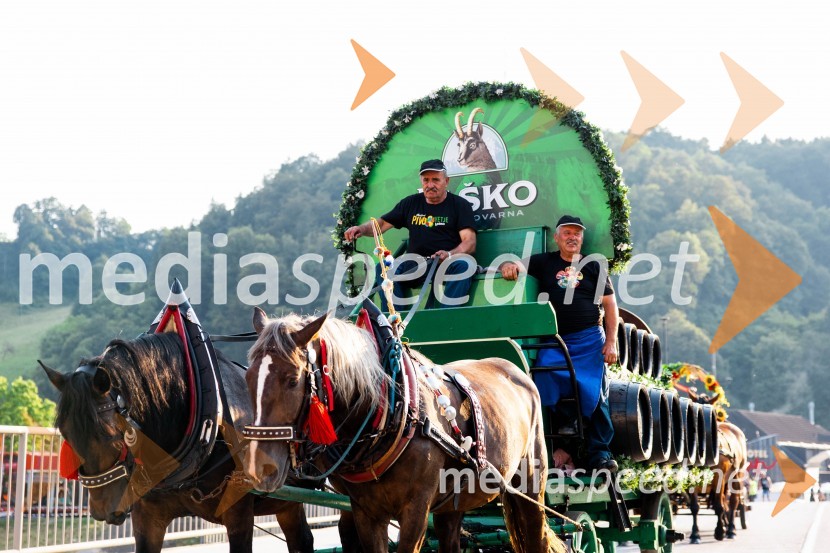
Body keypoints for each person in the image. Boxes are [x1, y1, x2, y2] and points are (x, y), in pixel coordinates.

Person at [500, 214, 619, 472]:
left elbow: (610, 306)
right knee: (542, 383)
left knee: (598, 395)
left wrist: (611, 342)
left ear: (582, 238)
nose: (572, 237)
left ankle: (599, 454)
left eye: (577, 233)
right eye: (567, 232)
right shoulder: (544, 262)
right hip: (555, 341)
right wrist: (509, 267)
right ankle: (554, 447)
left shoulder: (594, 265)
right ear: (557, 237)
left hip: (589, 340)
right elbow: (513, 265)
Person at [344, 159, 477, 310]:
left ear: (446, 181)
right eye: (426, 180)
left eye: (435, 180)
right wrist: (360, 229)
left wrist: (449, 254)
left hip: (447, 263)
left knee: (466, 265)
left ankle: (445, 320)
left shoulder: (460, 205)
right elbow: (380, 225)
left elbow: (469, 242)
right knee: (383, 268)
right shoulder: (410, 203)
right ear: (421, 181)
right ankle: (396, 324)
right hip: (416, 264)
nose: (430, 185)